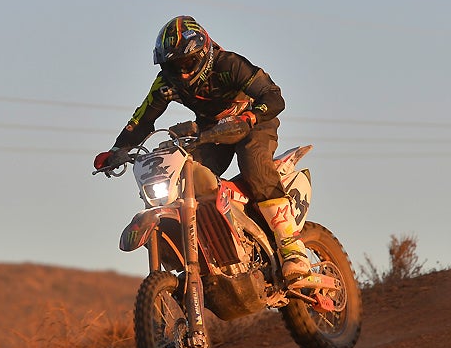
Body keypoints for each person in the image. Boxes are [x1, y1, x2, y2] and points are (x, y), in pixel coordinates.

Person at [94, 15, 310, 281]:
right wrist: (117, 150)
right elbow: (142, 119)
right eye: (173, 65)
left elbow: (273, 96)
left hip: (253, 125)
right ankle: (210, 248)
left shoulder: (229, 64)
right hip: (211, 133)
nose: (182, 72)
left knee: (254, 164)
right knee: (183, 176)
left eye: (187, 62)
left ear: (204, 52)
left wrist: (251, 117)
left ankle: (292, 247)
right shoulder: (165, 83)